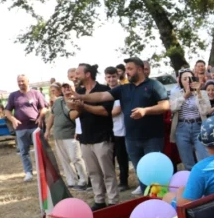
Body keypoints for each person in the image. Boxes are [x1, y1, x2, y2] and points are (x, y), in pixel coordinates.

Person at [71, 57, 170, 194]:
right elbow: (101, 97)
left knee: (154, 171)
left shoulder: (154, 85)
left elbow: (165, 105)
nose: (126, 72)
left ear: (140, 69)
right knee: (140, 171)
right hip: (131, 139)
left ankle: (161, 198)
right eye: (126, 69)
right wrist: (80, 97)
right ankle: (148, 198)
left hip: (152, 137)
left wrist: (145, 111)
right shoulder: (123, 89)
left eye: (130, 69)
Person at [70, 64, 118, 210]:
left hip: (103, 137)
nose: (75, 76)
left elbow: (105, 111)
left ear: (88, 74)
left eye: (78, 73)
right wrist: (77, 108)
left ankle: (113, 201)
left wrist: (84, 106)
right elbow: (72, 115)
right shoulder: (79, 91)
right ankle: (99, 200)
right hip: (85, 139)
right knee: (93, 172)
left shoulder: (104, 90)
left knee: (107, 172)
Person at [173, 116, 214, 206]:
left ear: (205, 145)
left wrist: (180, 193)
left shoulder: (200, 169)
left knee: (169, 196)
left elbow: (184, 205)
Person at [45, 81, 88, 190]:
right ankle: (71, 181)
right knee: (64, 160)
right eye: (64, 88)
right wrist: (47, 130)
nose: (66, 89)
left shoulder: (76, 101)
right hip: (58, 135)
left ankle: (83, 180)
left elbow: (75, 117)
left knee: (76, 158)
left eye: (68, 87)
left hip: (71, 134)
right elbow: (52, 116)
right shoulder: (57, 102)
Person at [6, 75, 49, 181]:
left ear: (28, 81)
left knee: (41, 150)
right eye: (18, 81)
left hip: (35, 126)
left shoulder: (36, 93)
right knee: (24, 151)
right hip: (21, 128)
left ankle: (43, 171)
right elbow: (7, 111)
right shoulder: (13, 95)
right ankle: (28, 173)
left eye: (22, 81)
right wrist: (13, 120)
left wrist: (40, 117)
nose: (20, 83)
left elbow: (44, 108)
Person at [169, 69, 211, 170]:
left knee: (204, 158)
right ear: (180, 82)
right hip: (182, 128)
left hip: (198, 126)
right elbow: (172, 108)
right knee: (187, 162)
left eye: (190, 78)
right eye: (184, 79)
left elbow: (206, 110)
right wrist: (185, 96)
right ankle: (193, 182)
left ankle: (206, 182)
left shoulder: (202, 93)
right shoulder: (176, 94)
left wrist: (199, 93)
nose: (188, 81)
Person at [104, 67, 130, 191]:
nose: (111, 79)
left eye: (113, 76)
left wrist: (103, 113)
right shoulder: (104, 92)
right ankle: (111, 183)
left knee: (122, 158)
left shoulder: (122, 90)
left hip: (120, 130)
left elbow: (117, 110)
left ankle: (123, 181)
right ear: (105, 78)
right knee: (109, 159)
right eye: (108, 77)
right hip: (107, 130)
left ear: (117, 76)